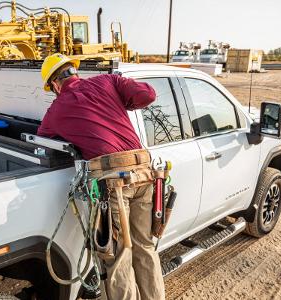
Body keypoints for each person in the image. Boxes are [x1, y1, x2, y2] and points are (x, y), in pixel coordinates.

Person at [37, 53, 165, 300]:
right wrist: (120, 90)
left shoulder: (56, 110)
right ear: (74, 71)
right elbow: (147, 94)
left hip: (114, 182)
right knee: (145, 247)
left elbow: (43, 139)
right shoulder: (108, 82)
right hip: (145, 174)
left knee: (119, 256)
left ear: (54, 85)